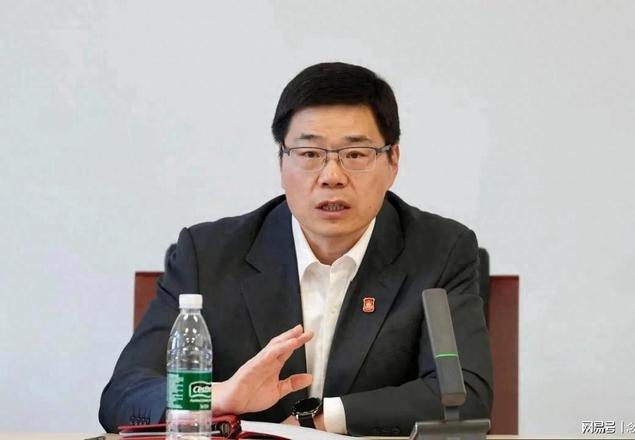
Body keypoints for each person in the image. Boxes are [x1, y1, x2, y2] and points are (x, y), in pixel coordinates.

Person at [99, 62, 493, 436]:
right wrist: (217, 397)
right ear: (282, 163)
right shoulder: (208, 254)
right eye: (309, 154)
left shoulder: (441, 252)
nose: (331, 176)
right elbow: (124, 394)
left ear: (393, 161)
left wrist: (321, 418)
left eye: (355, 154)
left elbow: (464, 396)